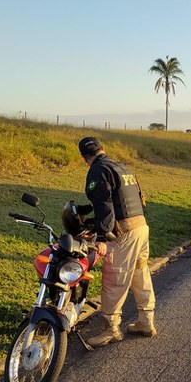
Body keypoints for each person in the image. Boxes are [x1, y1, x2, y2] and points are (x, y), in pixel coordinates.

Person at [77, 136, 157, 347]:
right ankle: (146, 322)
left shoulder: (98, 169)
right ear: (103, 148)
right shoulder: (121, 167)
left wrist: (102, 237)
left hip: (125, 233)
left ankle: (111, 329)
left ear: (84, 157)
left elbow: (104, 205)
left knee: (114, 278)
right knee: (140, 274)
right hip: (141, 227)